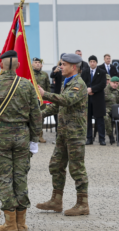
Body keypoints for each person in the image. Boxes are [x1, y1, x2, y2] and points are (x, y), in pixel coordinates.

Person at [0, 50, 42, 230]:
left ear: (1, 64)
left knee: (4, 178)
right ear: (18, 65)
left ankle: (10, 222)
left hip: (0, 137)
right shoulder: (27, 85)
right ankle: (21, 223)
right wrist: (35, 138)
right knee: (21, 177)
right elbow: (36, 115)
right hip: (22, 136)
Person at [36, 53, 89, 216]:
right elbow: (57, 106)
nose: (61, 67)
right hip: (64, 133)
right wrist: (37, 114)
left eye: (64, 64)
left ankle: (83, 204)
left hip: (75, 133)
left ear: (74, 67)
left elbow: (65, 100)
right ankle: (56, 200)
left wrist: (45, 94)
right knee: (56, 165)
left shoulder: (78, 84)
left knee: (76, 168)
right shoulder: (67, 83)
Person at [86, 55, 106, 146]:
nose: (92, 63)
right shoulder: (85, 71)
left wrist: (92, 89)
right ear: (89, 62)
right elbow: (82, 82)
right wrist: (87, 90)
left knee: (100, 120)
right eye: (91, 61)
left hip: (98, 99)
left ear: (96, 62)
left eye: (94, 61)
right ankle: (89, 138)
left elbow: (102, 84)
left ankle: (102, 139)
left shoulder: (101, 72)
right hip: (87, 98)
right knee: (88, 119)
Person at [31, 57, 50, 143]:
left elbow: (48, 87)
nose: (37, 64)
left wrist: (48, 98)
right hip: (32, 99)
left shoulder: (45, 74)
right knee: (31, 117)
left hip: (42, 100)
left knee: (41, 117)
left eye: (39, 62)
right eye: (36, 62)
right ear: (32, 64)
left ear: (41, 64)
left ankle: (40, 135)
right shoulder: (30, 74)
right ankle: (32, 135)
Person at [104, 76, 119, 144]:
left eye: (117, 83)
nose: (115, 84)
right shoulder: (104, 91)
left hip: (116, 110)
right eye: (113, 83)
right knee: (106, 117)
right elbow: (100, 104)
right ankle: (111, 136)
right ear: (109, 82)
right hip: (106, 110)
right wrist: (107, 110)